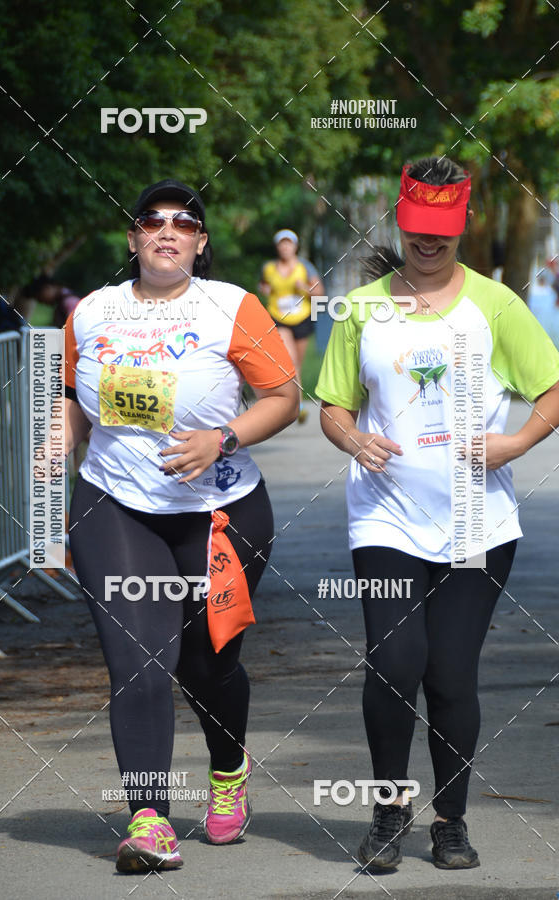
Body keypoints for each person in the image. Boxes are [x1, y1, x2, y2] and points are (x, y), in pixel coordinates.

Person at [316, 156, 559, 871]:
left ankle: (449, 821)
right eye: (416, 228)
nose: (427, 241)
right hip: (385, 517)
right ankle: (389, 811)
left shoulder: (497, 306)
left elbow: (551, 388)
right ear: (400, 216)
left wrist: (514, 441)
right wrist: (354, 438)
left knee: (451, 674)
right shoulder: (363, 308)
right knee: (395, 663)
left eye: (441, 230)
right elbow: (332, 406)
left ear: (467, 222)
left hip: (476, 524)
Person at [61, 179, 298, 873]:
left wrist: (220, 438)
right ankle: (149, 820)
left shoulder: (232, 307)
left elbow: (283, 398)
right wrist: (57, 441)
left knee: (206, 663)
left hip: (220, 513)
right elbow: (73, 399)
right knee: (139, 660)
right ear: (133, 238)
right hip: (115, 505)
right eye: (151, 220)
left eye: (183, 222)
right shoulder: (94, 310)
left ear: (200, 241)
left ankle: (228, 768)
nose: (167, 230)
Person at [259, 229, 324, 422]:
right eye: (282, 244)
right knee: (290, 360)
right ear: (278, 247)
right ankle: (298, 405)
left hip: (302, 318)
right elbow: (262, 285)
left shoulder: (305, 267)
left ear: (294, 246)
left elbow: (320, 292)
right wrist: (265, 289)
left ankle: (297, 401)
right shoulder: (269, 267)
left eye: (288, 243)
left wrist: (303, 287)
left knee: (298, 365)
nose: (285, 247)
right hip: (279, 318)